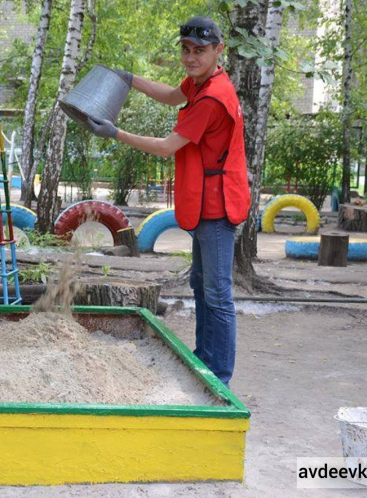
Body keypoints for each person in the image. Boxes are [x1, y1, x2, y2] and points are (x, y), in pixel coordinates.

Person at [86, 17, 250, 386]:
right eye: (186, 50)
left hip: (218, 205)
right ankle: (205, 359)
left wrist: (115, 132)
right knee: (200, 282)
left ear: (218, 50)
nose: (191, 58)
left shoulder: (212, 98)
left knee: (217, 293)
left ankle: (219, 376)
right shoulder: (201, 82)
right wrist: (129, 79)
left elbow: (166, 147)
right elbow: (172, 95)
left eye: (200, 51)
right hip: (205, 199)